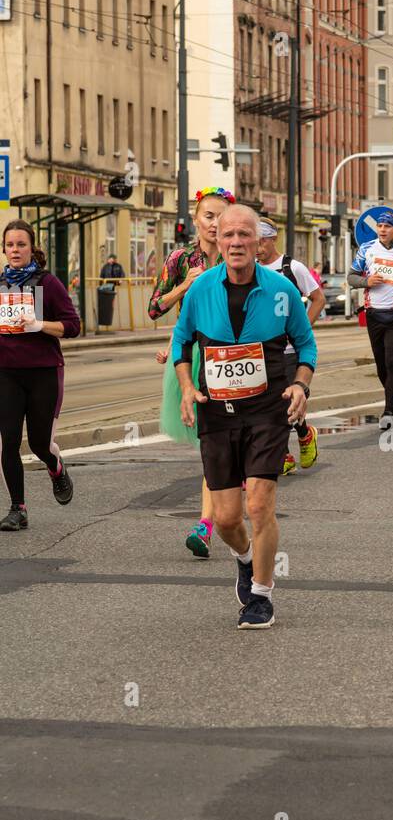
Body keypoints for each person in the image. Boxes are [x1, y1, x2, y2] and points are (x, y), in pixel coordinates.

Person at [173, 203, 317, 629]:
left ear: (259, 241)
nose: (236, 242)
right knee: (226, 519)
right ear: (217, 240)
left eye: (244, 235)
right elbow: (182, 346)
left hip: (266, 410)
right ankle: (245, 558)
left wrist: (300, 385)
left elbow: (305, 346)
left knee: (259, 505)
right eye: (228, 235)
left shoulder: (281, 289)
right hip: (216, 413)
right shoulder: (200, 290)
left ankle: (261, 595)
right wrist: (186, 387)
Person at [150, 186, 233, 558]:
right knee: (210, 443)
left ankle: (212, 519)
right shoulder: (181, 258)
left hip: (232, 355)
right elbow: (155, 308)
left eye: (221, 216)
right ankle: (209, 521)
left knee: (222, 441)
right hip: (193, 356)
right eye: (208, 216)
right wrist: (186, 284)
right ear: (196, 220)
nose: (215, 224)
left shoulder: (238, 254)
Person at [0, 219, 80, 530]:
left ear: (31, 248)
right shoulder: (1, 285)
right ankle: (17, 508)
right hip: (6, 373)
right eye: (9, 245)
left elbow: (72, 326)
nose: (15, 250)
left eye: (21, 244)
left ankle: (55, 467)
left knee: (38, 444)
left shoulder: (48, 284)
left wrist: (39, 325)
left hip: (43, 372)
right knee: (8, 442)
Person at [255, 216, 324, 472]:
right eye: (254, 240)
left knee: (287, 401)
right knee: (268, 404)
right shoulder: (251, 269)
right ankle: (287, 450)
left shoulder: (292, 268)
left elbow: (318, 299)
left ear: (273, 238)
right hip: (260, 351)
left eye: (262, 240)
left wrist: (301, 329)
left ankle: (302, 437)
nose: (257, 246)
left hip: (289, 351)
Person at [348, 210, 393, 427]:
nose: (383, 230)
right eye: (380, 226)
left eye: (387, 226)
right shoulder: (367, 249)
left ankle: (389, 411)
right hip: (374, 314)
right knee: (381, 366)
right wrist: (366, 281)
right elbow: (351, 277)